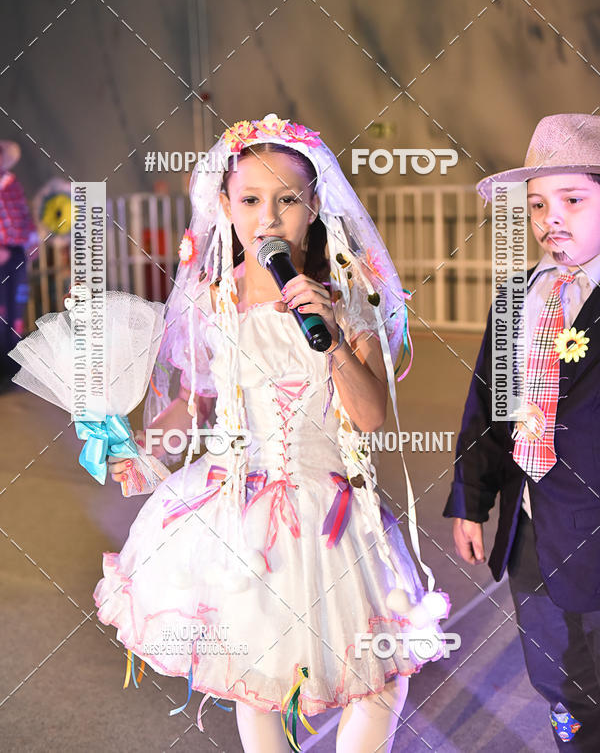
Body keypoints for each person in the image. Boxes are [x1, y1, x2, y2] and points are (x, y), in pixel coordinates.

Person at [94, 114, 447, 752]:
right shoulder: (212, 304)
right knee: (256, 672)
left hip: (333, 512)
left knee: (377, 677)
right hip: (241, 510)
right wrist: (143, 454)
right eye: (251, 200)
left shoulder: (345, 299)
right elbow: (193, 407)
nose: (269, 218)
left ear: (314, 208)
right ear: (225, 207)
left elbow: (367, 417)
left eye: (288, 201)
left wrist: (333, 335)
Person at [444, 113, 600, 750]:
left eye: (572, 200)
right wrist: (471, 502)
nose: (550, 218)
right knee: (556, 672)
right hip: (533, 522)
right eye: (537, 204)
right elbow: (487, 409)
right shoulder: (519, 299)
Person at [0, 140, 37, 388]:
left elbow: (24, 214)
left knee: (15, 309)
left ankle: (11, 366)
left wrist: (32, 241)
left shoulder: (12, 184)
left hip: (16, 252)